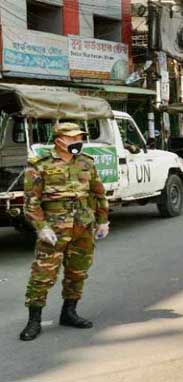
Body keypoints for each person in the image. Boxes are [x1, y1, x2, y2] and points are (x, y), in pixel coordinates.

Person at [19, 122, 110, 341]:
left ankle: (69, 312)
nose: (77, 142)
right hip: (54, 229)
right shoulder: (40, 165)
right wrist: (41, 228)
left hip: (83, 227)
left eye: (79, 138)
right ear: (59, 140)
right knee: (42, 275)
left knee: (77, 272)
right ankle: (34, 321)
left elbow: (99, 194)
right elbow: (31, 203)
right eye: (72, 138)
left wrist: (103, 221)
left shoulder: (86, 163)